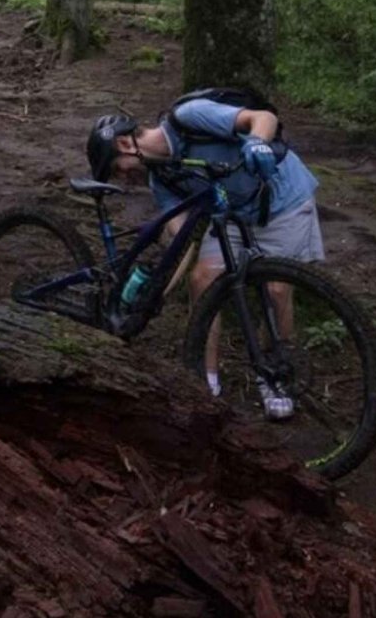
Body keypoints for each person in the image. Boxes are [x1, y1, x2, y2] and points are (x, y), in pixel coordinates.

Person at [85, 93, 324, 419]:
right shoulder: (161, 179)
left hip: (283, 203)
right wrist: (156, 295)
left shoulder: (190, 116)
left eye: (117, 169)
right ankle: (206, 380)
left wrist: (256, 144)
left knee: (277, 290)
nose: (123, 179)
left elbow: (263, 118)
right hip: (233, 217)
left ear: (126, 145)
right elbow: (181, 240)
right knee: (202, 280)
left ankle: (275, 377)